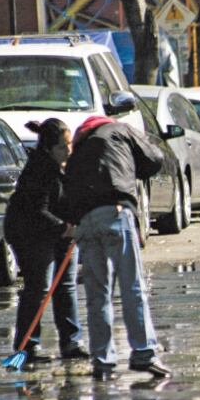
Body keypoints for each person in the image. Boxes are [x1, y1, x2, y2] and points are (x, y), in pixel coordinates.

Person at [63, 115, 171, 381]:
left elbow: (67, 196)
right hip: (116, 212)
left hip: (86, 222)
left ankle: (103, 360)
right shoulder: (119, 130)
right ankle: (143, 352)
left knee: (97, 294)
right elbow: (155, 159)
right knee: (131, 286)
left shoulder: (78, 151)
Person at [3, 118, 86, 364]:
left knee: (66, 285)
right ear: (48, 148)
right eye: (62, 146)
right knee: (39, 287)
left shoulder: (67, 166)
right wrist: (65, 228)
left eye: (70, 144)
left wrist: (75, 222)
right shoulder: (39, 170)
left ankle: (71, 342)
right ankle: (27, 346)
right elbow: (37, 212)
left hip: (60, 231)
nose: (68, 151)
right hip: (30, 232)